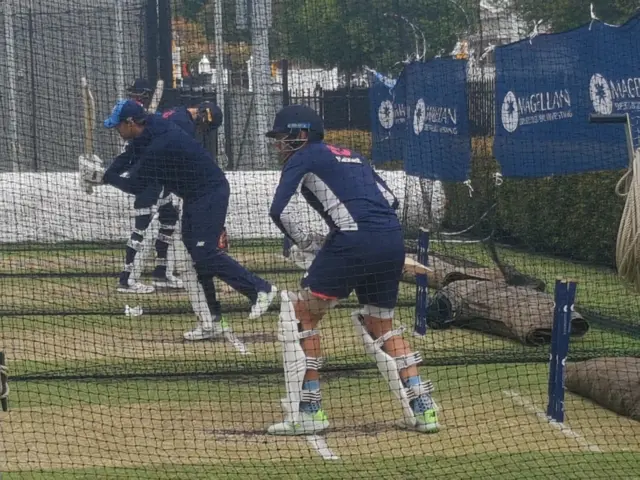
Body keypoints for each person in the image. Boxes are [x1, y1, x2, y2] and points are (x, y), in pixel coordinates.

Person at [264, 104, 439, 435]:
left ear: (300, 136)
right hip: (391, 239)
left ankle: (310, 410)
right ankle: (424, 408)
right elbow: (390, 201)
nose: (278, 145)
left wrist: (308, 242)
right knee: (381, 324)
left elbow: (279, 211)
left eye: (282, 138)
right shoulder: (354, 155)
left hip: (353, 241)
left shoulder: (302, 156)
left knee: (300, 316)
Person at [80, 100, 277, 343]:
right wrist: (106, 172)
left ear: (131, 123)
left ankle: (260, 289)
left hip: (211, 193)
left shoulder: (160, 144)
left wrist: (103, 178)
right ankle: (211, 321)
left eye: (118, 126)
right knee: (191, 261)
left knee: (204, 253)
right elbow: (129, 156)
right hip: (194, 197)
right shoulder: (150, 127)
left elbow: (136, 185)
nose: (117, 131)